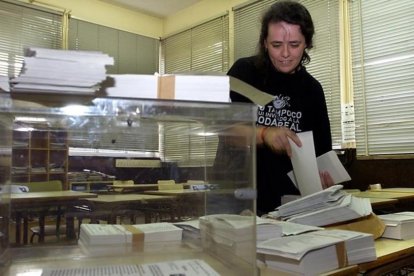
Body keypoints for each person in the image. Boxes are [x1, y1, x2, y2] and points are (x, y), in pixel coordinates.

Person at [227, 0, 333, 215]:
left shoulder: (312, 90)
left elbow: (322, 152)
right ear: (265, 43)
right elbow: (225, 130)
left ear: (307, 44)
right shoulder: (244, 72)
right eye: (276, 45)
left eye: (294, 44)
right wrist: (264, 134)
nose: (285, 53)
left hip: (291, 204)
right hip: (241, 199)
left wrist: (326, 181)